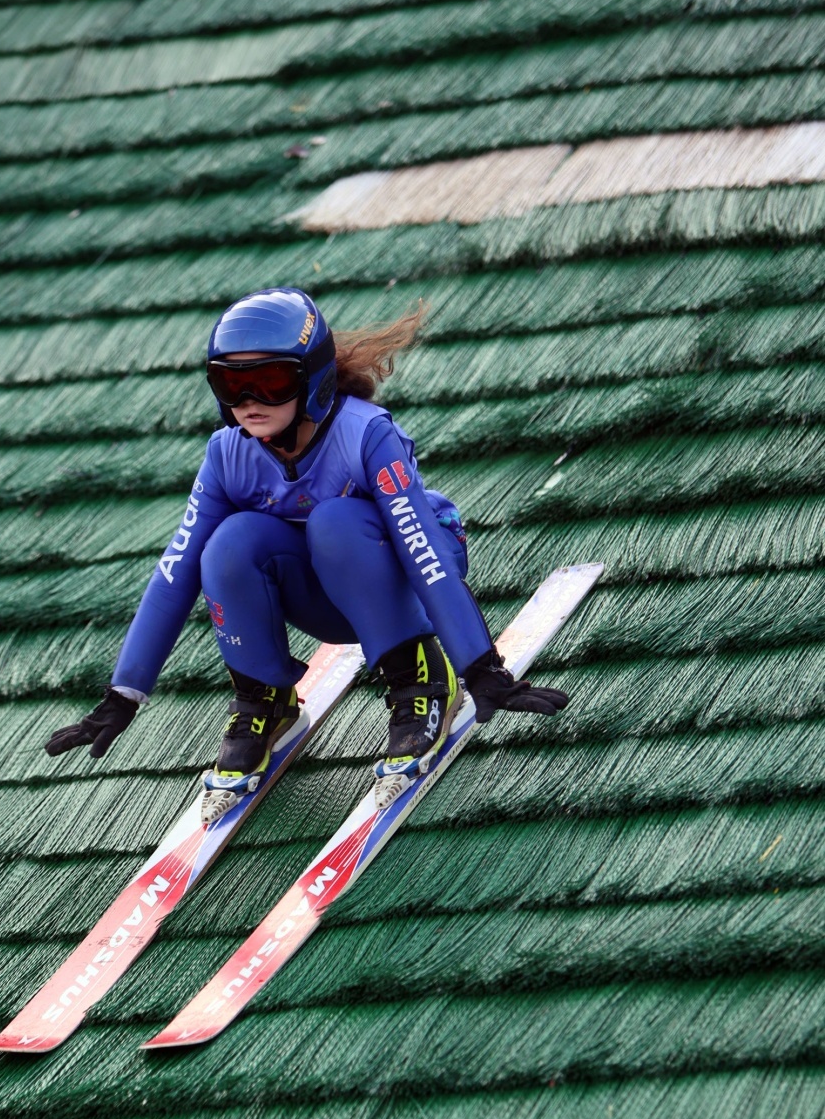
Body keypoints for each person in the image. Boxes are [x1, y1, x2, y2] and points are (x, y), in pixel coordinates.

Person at [45, 288, 567, 805]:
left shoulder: (366, 434)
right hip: (326, 589)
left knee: (335, 520)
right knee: (229, 542)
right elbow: (174, 574)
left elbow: (423, 552)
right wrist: (123, 695)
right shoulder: (228, 454)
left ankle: (421, 679)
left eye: (269, 381)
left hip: (406, 570)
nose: (249, 402)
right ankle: (265, 699)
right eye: (231, 383)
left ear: (312, 379)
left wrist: (482, 668)